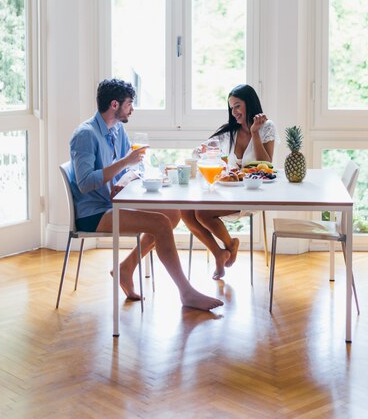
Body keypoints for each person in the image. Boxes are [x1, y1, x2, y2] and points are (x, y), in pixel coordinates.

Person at [69, 78, 223, 311]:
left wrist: (127, 174)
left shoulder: (117, 129)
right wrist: (124, 164)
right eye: (129, 103)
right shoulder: (85, 135)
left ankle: (126, 267)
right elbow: (84, 183)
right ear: (114, 105)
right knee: (160, 224)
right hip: (94, 212)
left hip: (114, 203)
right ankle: (186, 292)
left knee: (172, 214)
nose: (132, 108)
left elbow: (135, 166)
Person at [181, 84, 278, 280]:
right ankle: (219, 252)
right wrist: (202, 151)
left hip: (253, 194)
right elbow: (201, 151)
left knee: (201, 212)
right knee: (185, 211)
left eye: (237, 106)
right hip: (230, 191)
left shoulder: (267, 127)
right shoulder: (230, 132)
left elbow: (266, 164)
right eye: (231, 108)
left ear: (249, 103)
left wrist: (255, 133)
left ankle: (230, 245)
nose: (234, 112)